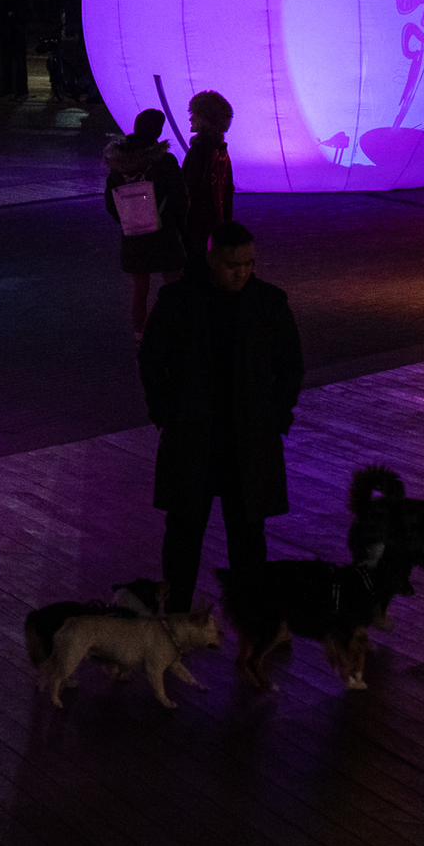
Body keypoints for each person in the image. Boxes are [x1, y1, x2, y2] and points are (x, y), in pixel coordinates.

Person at [139, 233, 302, 612]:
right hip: (214, 437)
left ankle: (229, 614)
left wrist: (277, 415)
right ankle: (205, 613)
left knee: (233, 535)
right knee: (190, 534)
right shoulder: (186, 302)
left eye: (249, 264)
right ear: (213, 261)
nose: (243, 272)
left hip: (225, 437)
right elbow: (151, 361)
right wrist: (166, 413)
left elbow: (291, 367)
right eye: (234, 265)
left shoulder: (264, 303)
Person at [105, 110, 189, 338]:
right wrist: (179, 226)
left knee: (140, 290)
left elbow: (111, 203)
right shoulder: (165, 161)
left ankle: (139, 336)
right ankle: (176, 333)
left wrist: (127, 219)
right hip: (164, 233)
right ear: (158, 131)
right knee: (174, 286)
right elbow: (179, 198)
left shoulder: (118, 163)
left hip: (134, 235)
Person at [174, 91, 244, 262]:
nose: (190, 119)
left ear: (205, 120)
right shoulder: (220, 150)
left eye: (194, 114)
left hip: (198, 225)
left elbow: (191, 189)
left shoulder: (201, 151)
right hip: (216, 223)